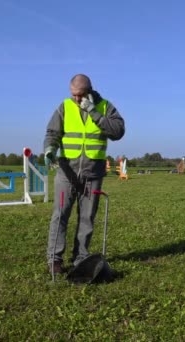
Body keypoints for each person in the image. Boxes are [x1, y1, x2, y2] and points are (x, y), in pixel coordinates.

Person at [43, 74, 125, 275]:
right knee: (60, 215)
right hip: (66, 172)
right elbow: (52, 134)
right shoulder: (64, 106)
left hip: (93, 173)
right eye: (73, 95)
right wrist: (49, 150)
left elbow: (118, 132)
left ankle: (80, 258)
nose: (76, 99)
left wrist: (94, 112)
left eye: (80, 95)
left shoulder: (105, 106)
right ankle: (54, 260)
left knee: (87, 217)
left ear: (89, 91)